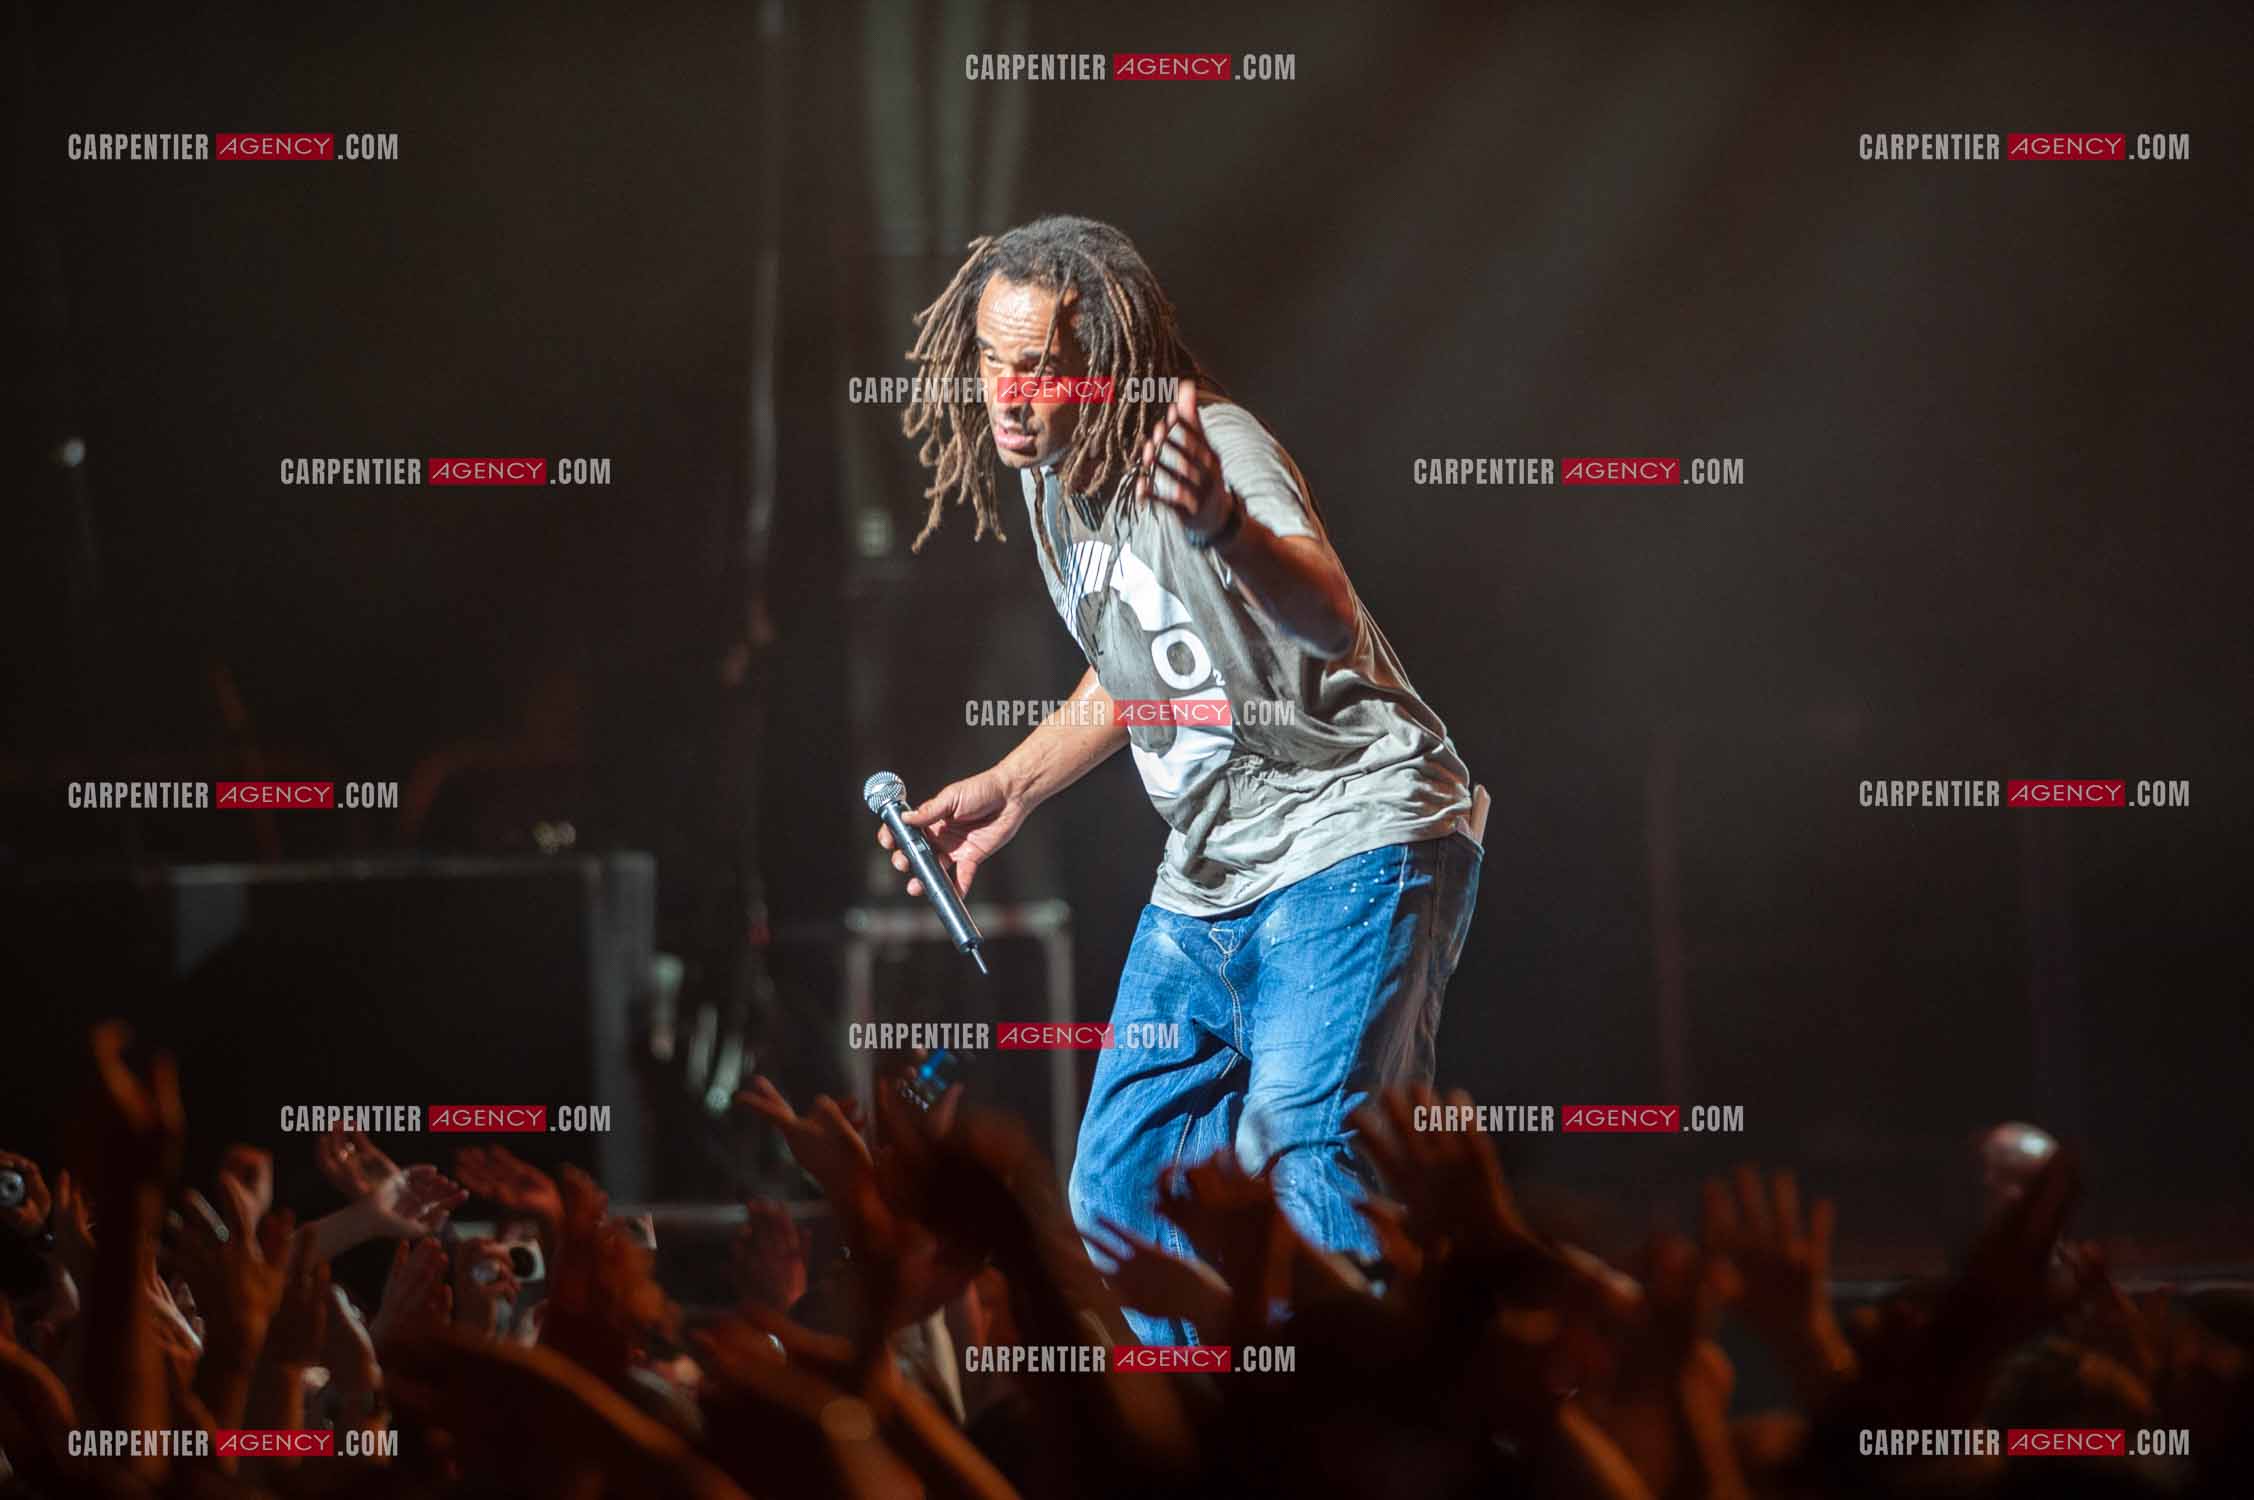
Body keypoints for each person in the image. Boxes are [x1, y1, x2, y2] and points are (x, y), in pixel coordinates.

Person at [879, 215, 1485, 1343]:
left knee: (1303, 1156)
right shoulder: (1056, 482)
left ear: (1102, 364)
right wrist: (1013, 786)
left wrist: (1219, 526)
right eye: (991, 362)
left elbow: (1324, 609)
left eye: (1040, 369)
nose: (1008, 396)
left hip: (1350, 831)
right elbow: (1138, 664)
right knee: (1117, 1194)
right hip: (1208, 877)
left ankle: (1378, 1433)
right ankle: (1217, 1444)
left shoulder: (1213, 440)